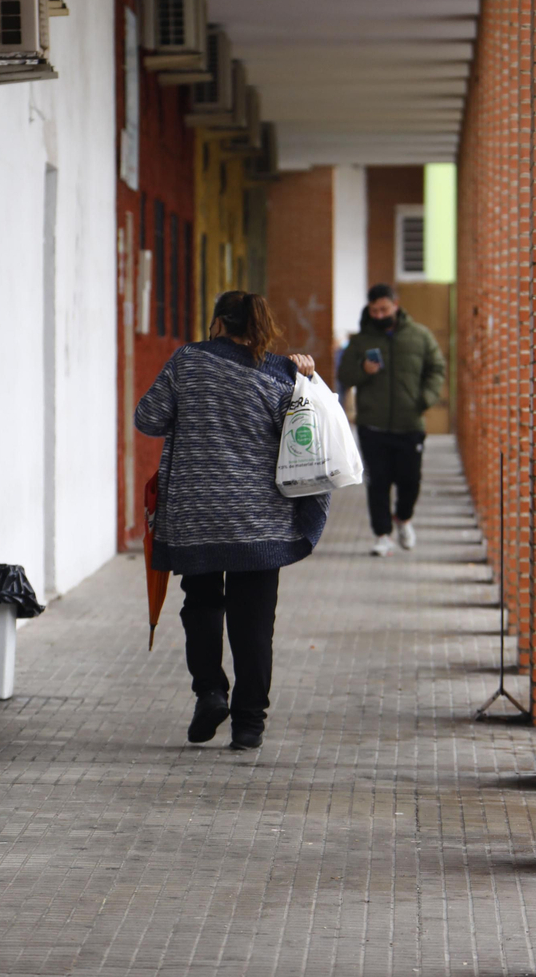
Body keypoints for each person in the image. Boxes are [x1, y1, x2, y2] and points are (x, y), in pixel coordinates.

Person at [135, 291, 329, 751]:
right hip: (259, 521)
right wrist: (309, 379)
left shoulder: (187, 361)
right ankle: (248, 724)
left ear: (218, 322)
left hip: (196, 514)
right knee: (255, 621)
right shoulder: (283, 373)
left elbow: (148, 417)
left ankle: (209, 691)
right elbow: (309, 435)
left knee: (200, 605)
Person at [337, 283, 448, 557]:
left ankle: (404, 518)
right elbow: (345, 375)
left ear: (396, 305)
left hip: (409, 423)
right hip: (371, 425)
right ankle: (382, 535)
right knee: (378, 482)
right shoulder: (362, 340)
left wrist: (424, 399)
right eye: (374, 310)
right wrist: (363, 370)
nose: (378, 314)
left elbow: (437, 368)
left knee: (410, 481)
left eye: (384, 309)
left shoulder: (419, 336)